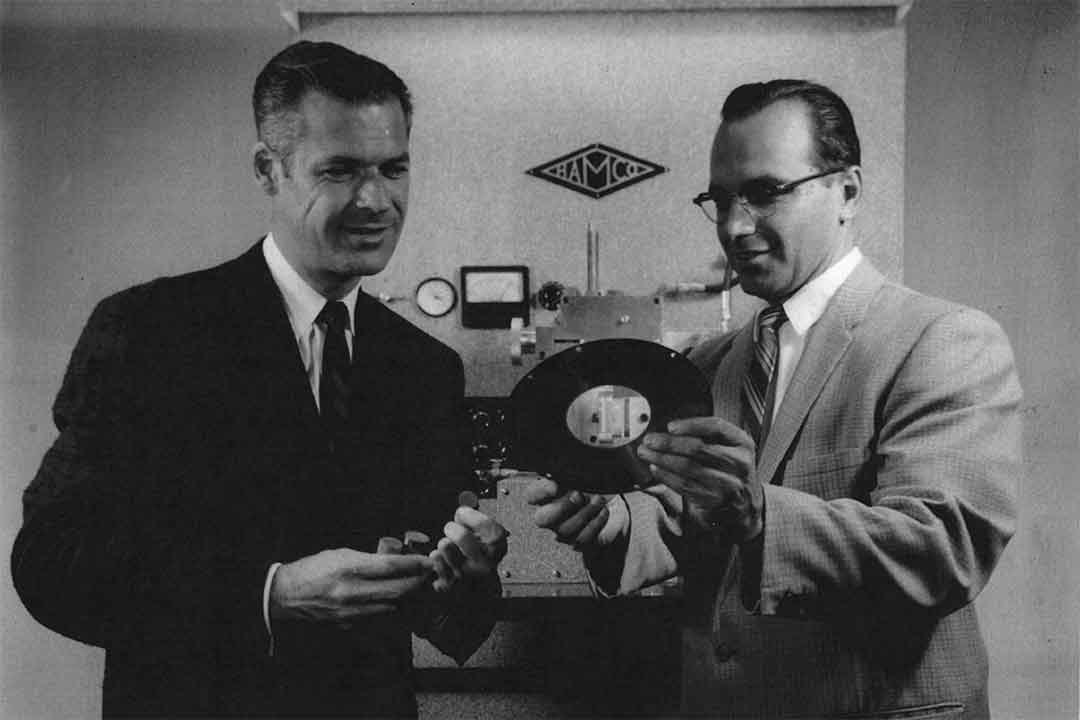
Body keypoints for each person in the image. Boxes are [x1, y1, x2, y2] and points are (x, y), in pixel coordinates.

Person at [12, 40, 507, 718]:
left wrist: (464, 580)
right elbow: (50, 562)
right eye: (339, 170)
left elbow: (450, 622)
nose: (377, 199)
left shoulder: (423, 368)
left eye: (394, 168)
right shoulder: (149, 331)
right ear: (267, 171)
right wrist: (268, 594)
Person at [528, 80, 1021, 719]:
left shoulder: (942, 340)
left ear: (847, 192)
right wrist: (617, 524)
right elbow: (691, 518)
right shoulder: (714, 363)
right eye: (721, 199)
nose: (734, 227)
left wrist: (761, 514)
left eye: (765, 193)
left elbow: (943, 548)